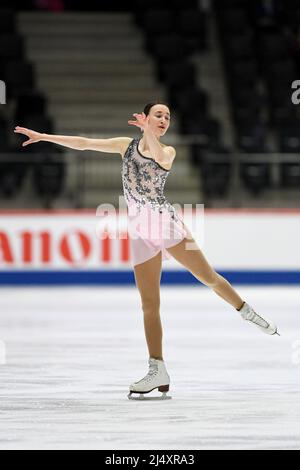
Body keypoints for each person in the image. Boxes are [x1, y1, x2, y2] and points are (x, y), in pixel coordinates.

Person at [14, 102, 279, 401]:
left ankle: (246, 311)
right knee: (149, 304)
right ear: (147, 117)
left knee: (209, 278)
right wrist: (45, 137)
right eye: (158, 115)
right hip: (140, 232)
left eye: (167, 117)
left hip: (165, 225)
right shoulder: (124, 146)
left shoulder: (168, 151)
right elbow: (84, 143)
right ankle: (158, 368)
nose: (164, 120)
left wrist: (148, 132)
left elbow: (156, 156)